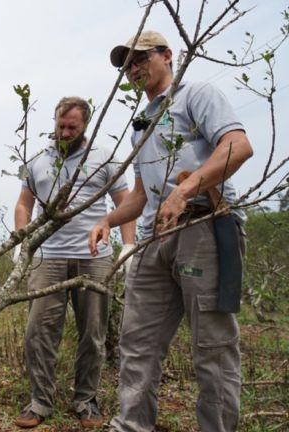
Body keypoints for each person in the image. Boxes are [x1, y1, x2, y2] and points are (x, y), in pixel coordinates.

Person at [89, 31, 253, 432]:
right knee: (137, 342)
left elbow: (238, 145)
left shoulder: (196, 95)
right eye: (126, 64)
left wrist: (185, 189)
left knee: (212, 347)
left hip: (204, 223)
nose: (133, 69)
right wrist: (108, 221)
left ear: (167, 55)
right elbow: (141, 195)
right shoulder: (141, 124)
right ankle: (130, 425)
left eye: (141, 58)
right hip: (154, 236)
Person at [14, 96, 136, 429]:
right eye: (60, 126)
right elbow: (24, 205)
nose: (65, 132)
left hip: (94, 258)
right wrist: (22, 238)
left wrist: (128, 244)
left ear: (86, 126)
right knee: (38, 332)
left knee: (92, 334)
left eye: (72, 127)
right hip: (47, 257)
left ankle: (86, 400)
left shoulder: (105, 159)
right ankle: (40, 401)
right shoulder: (38, 161)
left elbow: (125, 203)